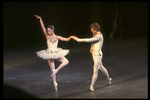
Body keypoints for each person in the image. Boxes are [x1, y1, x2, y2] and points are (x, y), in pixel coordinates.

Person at [71, 22, 112, 91]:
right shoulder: (95, 34)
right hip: (94, 54)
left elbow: (89, 40)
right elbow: (93, 41)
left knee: (95, 70)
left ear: (95, 30)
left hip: (97, 56)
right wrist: (91, 47)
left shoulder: (99, 36)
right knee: (101, 67)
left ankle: (91, 86)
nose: (91, 30)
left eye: (92, 29)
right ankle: (108, 78)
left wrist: (78, 39)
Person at [34, 15, 71, 91]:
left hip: (56, 52)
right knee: (52, 68)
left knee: (66, 61)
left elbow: (66, 39)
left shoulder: (57, 37)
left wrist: (71, 37)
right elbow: (43, 27)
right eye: (47, 31)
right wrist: (40, 19)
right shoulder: (47, 36)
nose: (48, 32)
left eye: (49, 31)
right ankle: (54, 82)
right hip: (49, 53)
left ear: (52, 30)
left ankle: (57, 70)